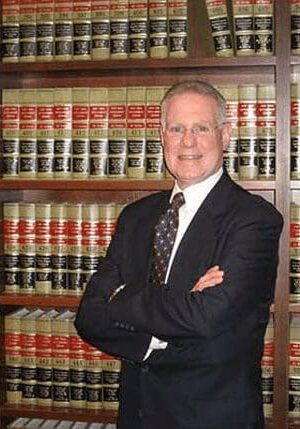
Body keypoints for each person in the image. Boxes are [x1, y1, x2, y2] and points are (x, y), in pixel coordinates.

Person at [75, 80, 283, 429]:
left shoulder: (254, 220)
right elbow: (89, 317)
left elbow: (208, 318)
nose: (188, 141)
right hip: (137, 416)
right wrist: (165, 327)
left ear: (225, 135)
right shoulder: (136, 217)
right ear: (162, 135)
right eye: (176, 128)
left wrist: (122, 297)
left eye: (201, 128)